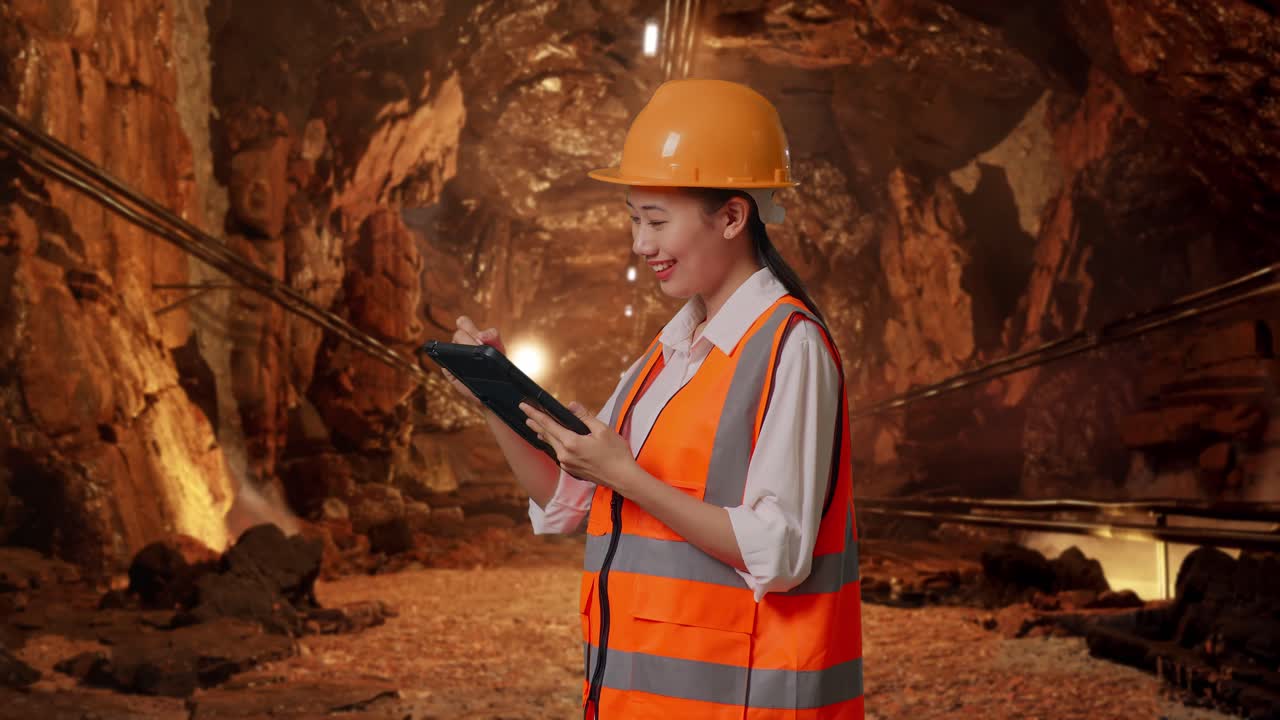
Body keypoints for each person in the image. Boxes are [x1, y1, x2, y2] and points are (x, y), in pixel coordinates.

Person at [446, 79, 863, 720]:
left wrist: (626, 475)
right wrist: (493, 395)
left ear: (731, 216)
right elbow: (568, 500)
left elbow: (778, 552)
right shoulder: (665, 355)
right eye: (634, 220)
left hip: (741, 701)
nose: (640, 245)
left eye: (656, 221)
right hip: (638, 697)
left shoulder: (790, 346)